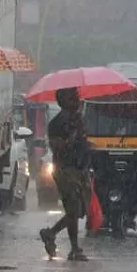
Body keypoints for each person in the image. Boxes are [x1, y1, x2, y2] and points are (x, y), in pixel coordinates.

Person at [40, 87, 92, 261]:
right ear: (65, 101)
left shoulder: (79, 119)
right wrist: (72, 137)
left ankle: (55, 236)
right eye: (74, 97)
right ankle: (71, 246)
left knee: (78, 210)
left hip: (80, 169)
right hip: (66, 170)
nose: (78, 100)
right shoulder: (57, 123)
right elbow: (57, 147)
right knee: (74, 209)